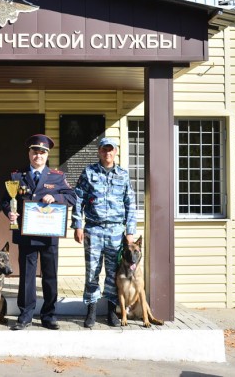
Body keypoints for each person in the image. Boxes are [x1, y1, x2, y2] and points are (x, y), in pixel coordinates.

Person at [2, 134, 77, 330]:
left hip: (50, 235)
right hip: (27, 235)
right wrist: (10, 212)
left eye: (42, 152)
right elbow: (5, 200)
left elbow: (72, 197)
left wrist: (55, 197)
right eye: (35, 152)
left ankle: (49, 315)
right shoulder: (17, 176)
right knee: (26, 276)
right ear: (29, 153)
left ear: (47, 155)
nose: (38, 156)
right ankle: (25, 315)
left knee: (50, 276)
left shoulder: (57, 177)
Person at [71, 137, 136, 328]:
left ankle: (111, 312)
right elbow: (78, 199)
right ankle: (90, 311)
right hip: (93, 228)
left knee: (113, 272)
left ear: (116, 152)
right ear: (99, 152)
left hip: (116, 230)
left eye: (111, 150)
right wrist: (78, 225)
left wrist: (130, 232)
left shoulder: (123, 175)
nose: (107, 153)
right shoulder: (89, 172)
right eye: (104, 150)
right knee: (92, 271)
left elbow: (130, 204)